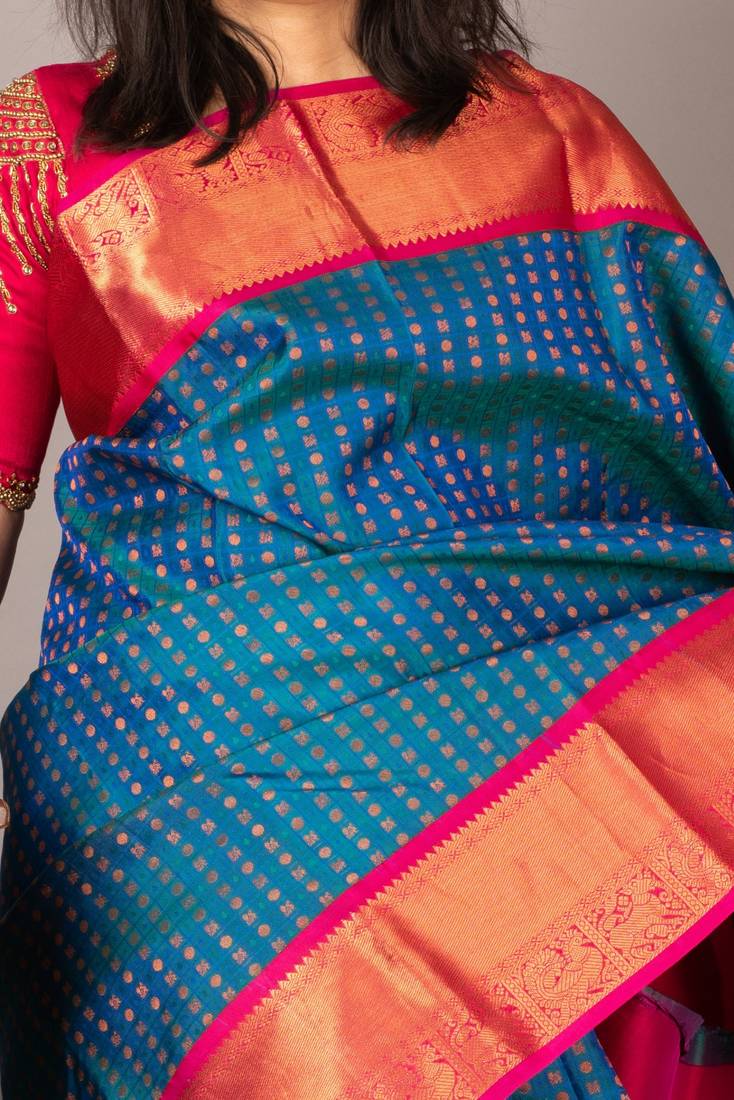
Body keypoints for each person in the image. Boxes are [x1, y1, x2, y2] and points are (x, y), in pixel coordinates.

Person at [1, 1, 733, 1097]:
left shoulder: (556, 130)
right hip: (198, 785)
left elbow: (683, 452)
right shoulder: (54, 141)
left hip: (558, 760)